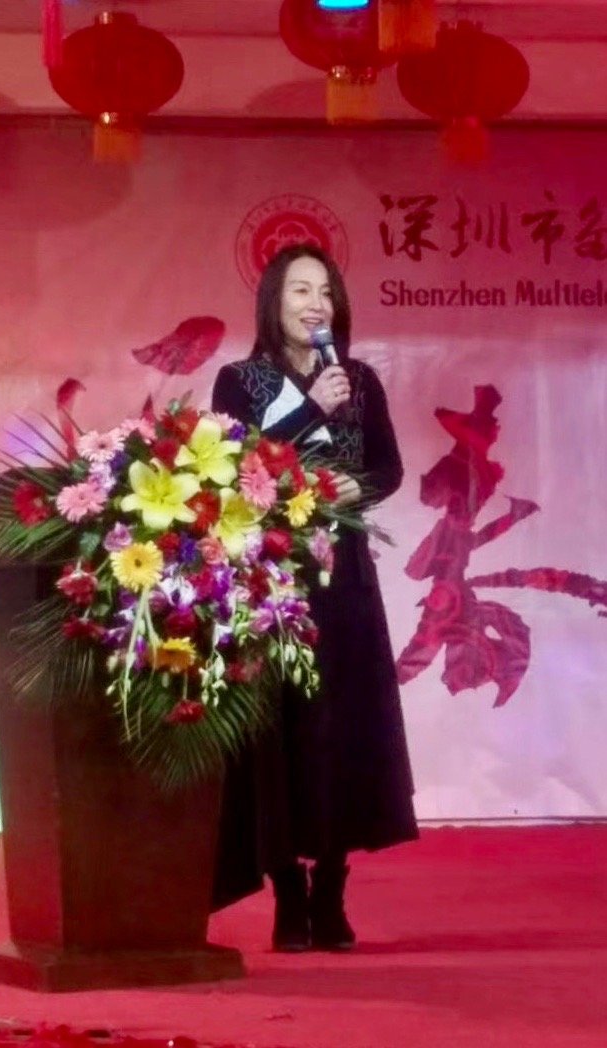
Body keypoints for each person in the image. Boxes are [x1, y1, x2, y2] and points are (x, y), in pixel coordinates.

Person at [210, 243, 418, 951]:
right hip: (273, 578)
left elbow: (387, 465)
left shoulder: (357, 378)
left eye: (325, 291)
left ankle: (331, 887)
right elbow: (235, 469)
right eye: (300, 290)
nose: (315, 303)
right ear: (273, 301)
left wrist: (365, 485)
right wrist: (305, 412)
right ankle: (286, 896)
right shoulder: (239, 381)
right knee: (280, 737)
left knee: (342, 734)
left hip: (345, 579)